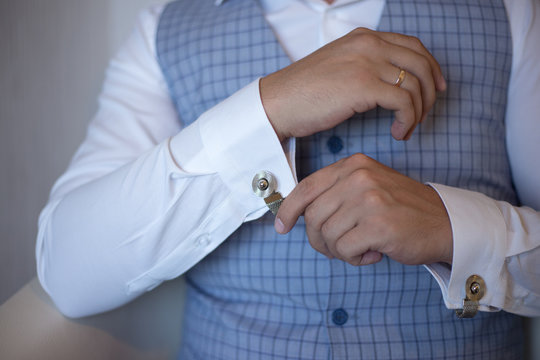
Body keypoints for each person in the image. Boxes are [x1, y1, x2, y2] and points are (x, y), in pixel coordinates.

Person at [36, 0, 540, 358]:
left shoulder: (509, 13)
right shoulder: (163, 29)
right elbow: (68, 272)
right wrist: (268, 108)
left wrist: (452, 230)